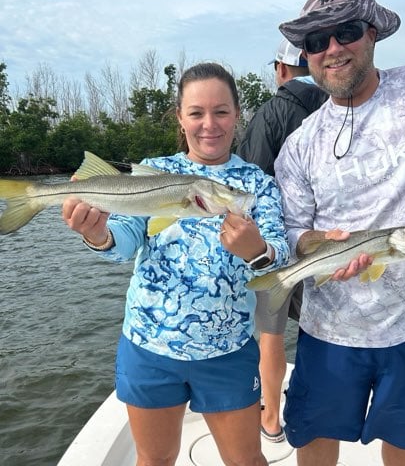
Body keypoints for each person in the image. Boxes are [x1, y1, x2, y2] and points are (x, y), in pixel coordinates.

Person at [274, 0, 405, 465]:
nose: (332, 49)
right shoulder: (300, 144)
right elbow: (288, 229)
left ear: (371, 34)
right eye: (317, 41)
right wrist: (310, 242)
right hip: (329, 328)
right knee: (313, 433)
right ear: (305, 55)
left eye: (345, 32)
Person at [62, 62, 290, 466]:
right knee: (154, 460)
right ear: (180, 118)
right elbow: (126, 238)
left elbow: (278, 260)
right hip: (149, 345)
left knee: (246, 462)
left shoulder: (256, 184)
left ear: (237, 114)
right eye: (196, 113)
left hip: (228, 349)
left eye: (221, 111)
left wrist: (256, 250)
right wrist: (97, 234)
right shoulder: (155, 170)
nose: (210, 124)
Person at [236, 38, 327, 443]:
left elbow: (248, 181)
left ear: (281, 69)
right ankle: (319, 406)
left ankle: (271, 418)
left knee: (270, 333)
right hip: (324, 241)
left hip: (277, 241)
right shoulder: (338, 107)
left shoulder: (273, 112)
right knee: (321, 325)